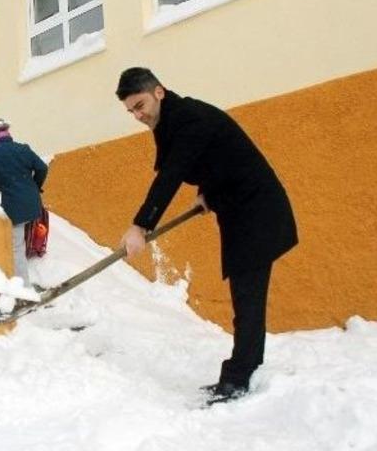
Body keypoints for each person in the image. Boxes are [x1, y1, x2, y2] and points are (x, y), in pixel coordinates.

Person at [115, 67, 297, 405]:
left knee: (247, 297)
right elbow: (218, 159)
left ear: (158, 92)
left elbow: (171, 175)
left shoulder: (188, 118)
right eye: (131, 111)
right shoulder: (170, 120)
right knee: (246, 296)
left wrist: (141, 226)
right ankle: (245, 369)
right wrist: (207, 193)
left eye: (140, 105)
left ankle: (238, 378)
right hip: (240, 208)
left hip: (257, 211)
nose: (138, 116)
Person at [0, 119, 48, 286]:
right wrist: (35, 187)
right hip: (33, 204)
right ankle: (18, 277)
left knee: (16, 247)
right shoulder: (23, 149)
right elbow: (42, 168)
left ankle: (23, 287)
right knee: (21, 240)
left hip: (15, 209)